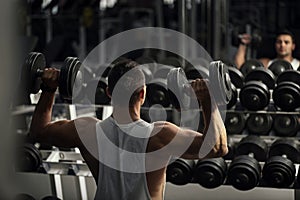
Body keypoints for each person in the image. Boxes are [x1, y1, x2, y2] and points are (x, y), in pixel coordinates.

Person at [29, 59, 228, 200]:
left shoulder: (86, 130)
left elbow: (39, 131)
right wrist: (208, 100)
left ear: (108, 93)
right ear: (143, 94)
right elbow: (217, 148)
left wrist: (48, 89)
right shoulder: (159, 136)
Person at [234, 30, 300, 70]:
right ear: (275, 45)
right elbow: (241, 67)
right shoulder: (266, 63)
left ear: (293, 46)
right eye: (279, 42)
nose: (282, 45)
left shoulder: (298, 65)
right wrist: (243, 44)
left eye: (286, 42)